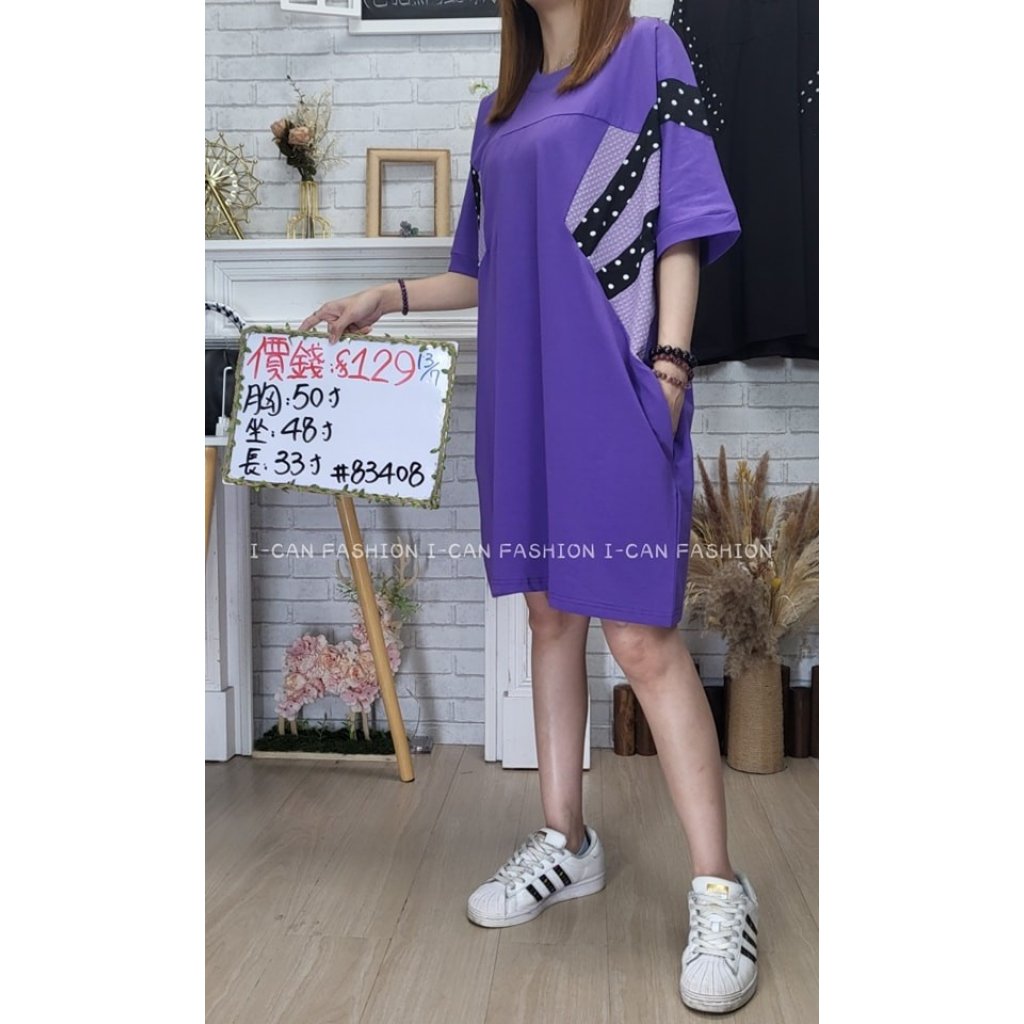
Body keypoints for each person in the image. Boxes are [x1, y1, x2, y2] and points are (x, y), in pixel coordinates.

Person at [300, 0, 758, 1013]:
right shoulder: (498, 111)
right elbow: (478, 268)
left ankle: (721, 888)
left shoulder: (648, 52)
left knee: (640, 639)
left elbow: (681, 216)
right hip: (522, 399)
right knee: (549, 616)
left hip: (617, 386)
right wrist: (387, 296)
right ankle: (566, 840)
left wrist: (670, 367)